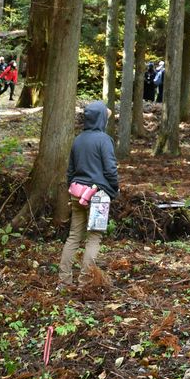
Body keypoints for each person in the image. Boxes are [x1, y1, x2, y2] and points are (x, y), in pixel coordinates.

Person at [58, 101, 119, 287]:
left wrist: (74, 189)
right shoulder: (104, 140)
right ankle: (85, 283)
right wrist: (114, 188)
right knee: (94, 237)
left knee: (74, 236)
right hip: (98, 196)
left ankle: (64, 282)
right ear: (101, 119)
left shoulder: (78, 139)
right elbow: (110, 170)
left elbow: (71, 171)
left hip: (77, 193)